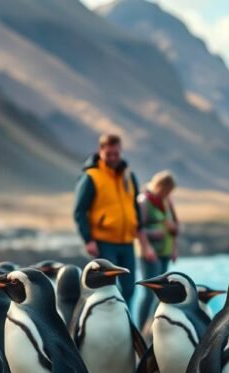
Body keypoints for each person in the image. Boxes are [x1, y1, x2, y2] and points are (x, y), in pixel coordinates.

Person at [73, 133, 154, 307]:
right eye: (109, 154)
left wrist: (143, 239)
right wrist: (88, 239)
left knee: (129, 288)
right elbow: (79, 211)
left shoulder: (129, 176)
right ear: (100, 151)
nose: (113, 157)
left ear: (120, 151)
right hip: (104, 242)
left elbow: (135, 208)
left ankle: (126, 322)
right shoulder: (91, 177)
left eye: (116, 153)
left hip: (127, 242)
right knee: (107, 288)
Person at [132, 170, 180, 321]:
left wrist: (173, 248)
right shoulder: (144, 201)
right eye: (165, 190)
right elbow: (137, 228)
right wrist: (153, 234)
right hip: (149, 253)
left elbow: (174, 226)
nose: (167, 193)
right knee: (150, 292)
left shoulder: (167, 201)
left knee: (162, 292)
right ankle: (141, 327)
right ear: (159, 186)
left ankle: (152, 326)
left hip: (164, 251)